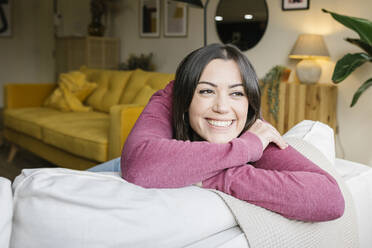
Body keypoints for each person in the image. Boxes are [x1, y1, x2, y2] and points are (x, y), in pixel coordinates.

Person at [95, 44, 345, 222]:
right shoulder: (169, 99)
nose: (222, 107)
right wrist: (243, 149)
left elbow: (329, 198)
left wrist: (218, 176)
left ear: (249, 102)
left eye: (237, 93)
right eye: (206, 91)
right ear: (184, 99)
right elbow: (139, 165)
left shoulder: (253, 129)